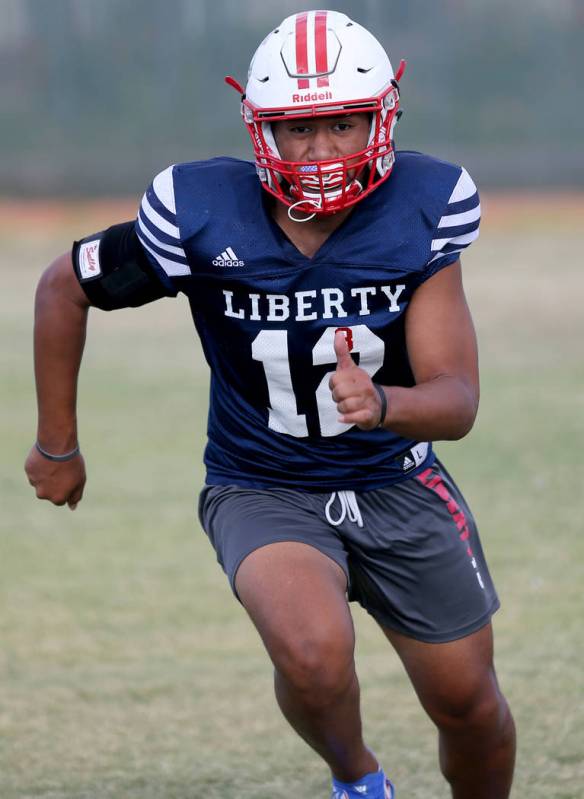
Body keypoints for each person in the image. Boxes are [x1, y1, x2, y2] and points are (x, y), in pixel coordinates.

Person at [25, 10, 516, 799]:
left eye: (344, 124)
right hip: (262, 483)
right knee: (314, 654)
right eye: (298, 130)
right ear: (261, 133)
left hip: (397, 479)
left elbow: (457, 400)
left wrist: (384, 401)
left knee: (469, 703)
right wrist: (58, 445)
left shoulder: (425, 208)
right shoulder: (199, 212)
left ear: (380, 119)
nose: (321, 151)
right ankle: (358, 781)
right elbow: (64, 286)